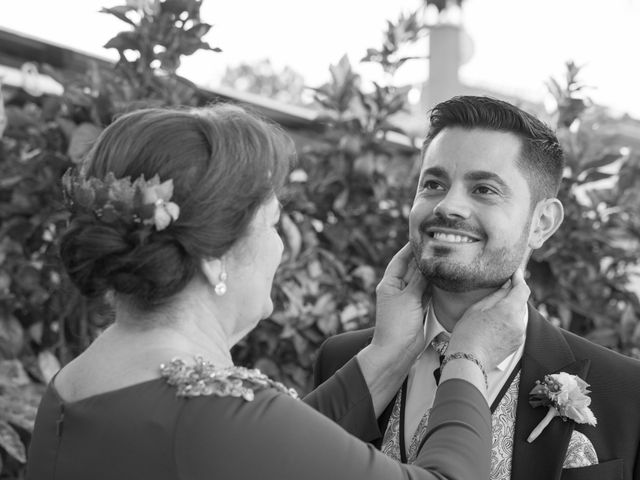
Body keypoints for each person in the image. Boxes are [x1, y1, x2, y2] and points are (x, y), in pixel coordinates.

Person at [26, 104, 528, 480]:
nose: (280, 247)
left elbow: (262, 449)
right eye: (272, 224)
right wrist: (468, 358)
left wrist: (388, 354)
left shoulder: (80, 381)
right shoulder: (210, 409)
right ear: (210, 256)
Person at [314, 95, 640, 480]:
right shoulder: (342, 360)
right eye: (433, 183)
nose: (448, 207)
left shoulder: (626, 392)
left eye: (484, 189)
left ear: (542, 223)